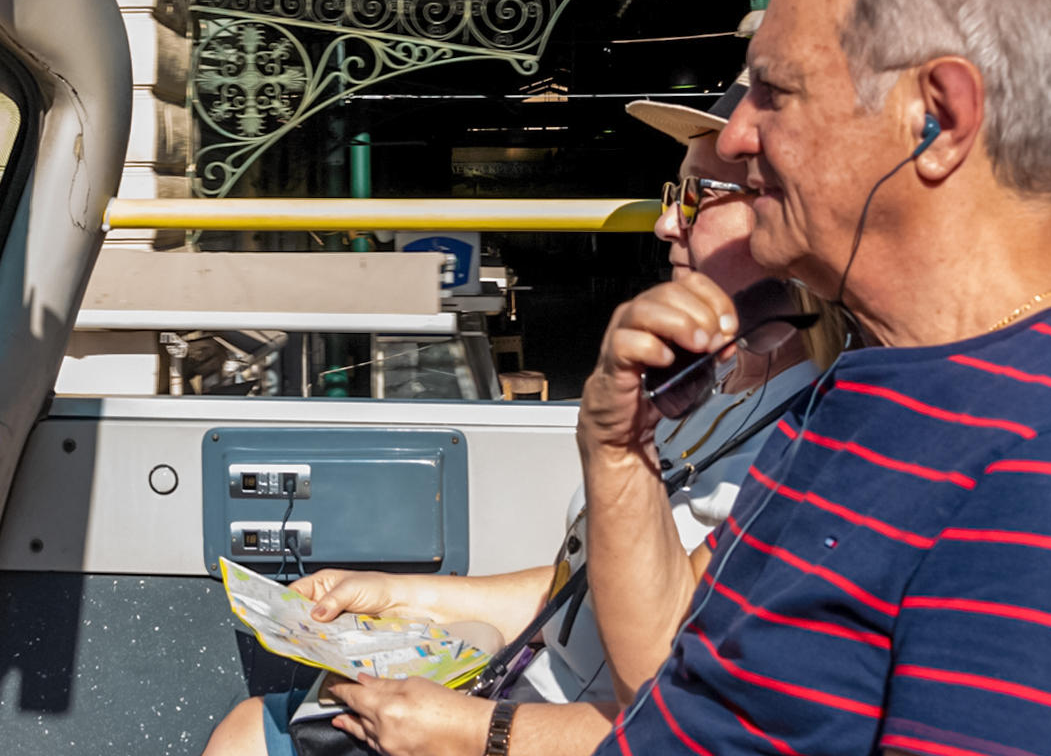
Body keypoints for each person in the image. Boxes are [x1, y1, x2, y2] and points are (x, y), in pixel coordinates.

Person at [576, 0, 1051, 756]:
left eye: (774, 94)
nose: (739, 138)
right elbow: (694, 664)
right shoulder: (879, 380)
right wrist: (614, 451)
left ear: (936, 120)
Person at [202, 80, 845, 756]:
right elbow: (584, 593)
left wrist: (470, 731)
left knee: (254, 737)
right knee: (256, 729)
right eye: (669, 195)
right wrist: (398, 594)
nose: (664, 223)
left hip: (554, 731)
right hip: (529, 696)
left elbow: (683, 713)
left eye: (696, 198)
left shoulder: (810, 439)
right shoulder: (706, 387)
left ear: (788, 219)